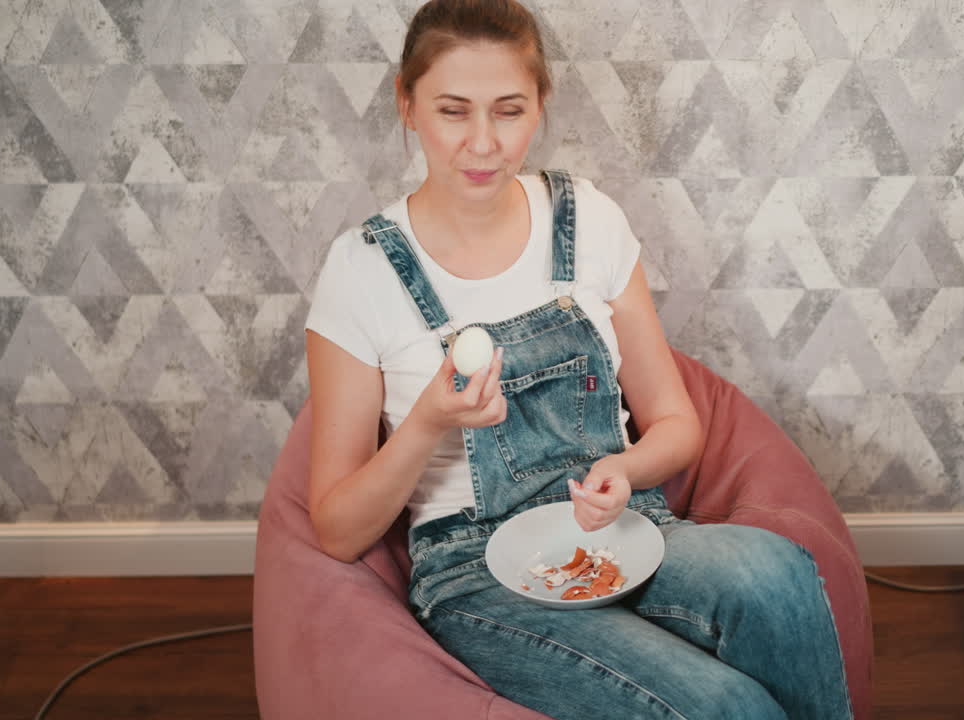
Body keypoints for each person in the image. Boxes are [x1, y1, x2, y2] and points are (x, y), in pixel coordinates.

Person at [302, 1, 852, 718]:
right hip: (476, 574)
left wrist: (624, 472)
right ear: (407, 104)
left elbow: (677, 424)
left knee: (779, 574)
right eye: (452, 110)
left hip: (617, 533)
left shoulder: (587, 219)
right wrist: (431, 421)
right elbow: (336, 530)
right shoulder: (362, 269)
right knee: (727, 707)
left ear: (540, 106)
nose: (482, 142)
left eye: (507, 110)